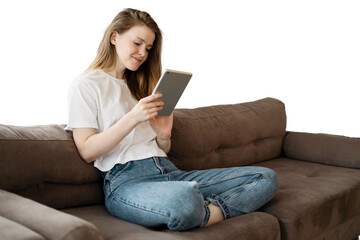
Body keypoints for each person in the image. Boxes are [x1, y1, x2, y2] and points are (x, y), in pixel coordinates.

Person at [66, 8, 279, 231]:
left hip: (168, 171)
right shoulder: (86, 85)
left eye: (148, 48)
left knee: (265, 177)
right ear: (114, 37)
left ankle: (207, 212)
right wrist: (133, 117)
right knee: (184, 200)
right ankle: (195, 206)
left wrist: (163, 135)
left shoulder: (140, 86)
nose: (142, 53)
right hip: (127, 182)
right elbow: (87, 150)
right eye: (137, 43)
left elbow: (161, 149)